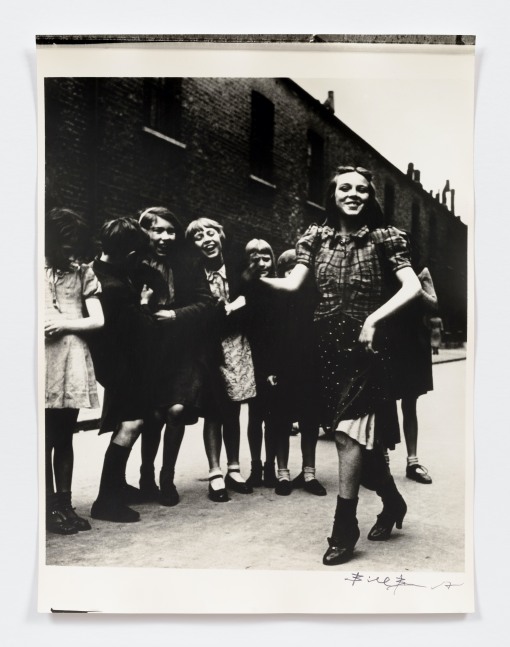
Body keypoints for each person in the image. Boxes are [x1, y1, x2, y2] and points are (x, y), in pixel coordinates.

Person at [247, 165, 421, 565]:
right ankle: (392, 502)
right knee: (359, 442)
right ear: (333, 193)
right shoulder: (315, 237)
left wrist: (373, 320)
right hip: (324, 347)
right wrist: (254, 282)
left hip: (367, 347)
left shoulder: (385, 237)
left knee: (346, 435)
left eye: (362, 189)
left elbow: (411, 286)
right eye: (346, 187)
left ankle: (345, 527)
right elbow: (293, 284)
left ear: (369, 198)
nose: (354, 194)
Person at [137, 207, 213, 506]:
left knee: (177, 410)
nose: (166, 237)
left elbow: (207, 303)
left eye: (171, 231)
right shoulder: (135, 264)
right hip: (150, 351)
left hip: (183, 350)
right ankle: (146, 475)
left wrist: (175, 315)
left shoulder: (188, 264)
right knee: (154, 415)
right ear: (146, 232)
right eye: (159, 230)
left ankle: (167, 477)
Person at [89, 217, 158, 523]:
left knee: (127, 421)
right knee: (131, 424)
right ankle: (106, 500)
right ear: (128, 253)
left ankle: (116, 486)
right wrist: (143, 302)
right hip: (122, 365)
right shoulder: (116, 287)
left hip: (111, 363)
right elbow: (139, 330)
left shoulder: (97, 272)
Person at [185, 218, 256, 502]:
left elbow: (254, 299)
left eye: (211, 233)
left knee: (234, 408)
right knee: (214, 409)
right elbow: (195, 311)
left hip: (238, 343)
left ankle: (234, 468)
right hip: (209, 345)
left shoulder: (238, 267)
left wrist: (237, 308)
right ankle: (215, 472)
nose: (207, 239)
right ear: (194, 246)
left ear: (221, 236)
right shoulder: (193, 274)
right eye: (198, 237)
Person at [44, 207, 104, 534]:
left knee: (64, 435)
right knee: (44, 436)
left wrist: (65, 323)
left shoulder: (82, 273)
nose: (70, 247)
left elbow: (97, 319)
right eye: (65, 240)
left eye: (75, 241)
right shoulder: (31, 269)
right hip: (40, 359)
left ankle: (63, 505)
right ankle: (46, 507)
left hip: (71, 359)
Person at [244, 239, 294, 495]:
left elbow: (282, 332)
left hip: (273, 361)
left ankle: (270, 466)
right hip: (250, 360)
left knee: (273, 419)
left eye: (266, 259)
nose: (261, 264)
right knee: (254, 417)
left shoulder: (279, 289)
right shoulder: (246, 290)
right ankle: (254, 467)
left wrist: (275, 368)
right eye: (255, 260)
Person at [276, 249, 326, 496]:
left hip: (310, 368)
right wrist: (271, 368)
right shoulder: (276, 300)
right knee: (282, 421)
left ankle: (309, 473)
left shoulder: (314, 300)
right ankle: (282, 473)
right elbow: (270, 340)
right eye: (289, 271)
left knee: (309, 422)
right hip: (284, 368)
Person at [388, 264, 439, 484]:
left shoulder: (422, 272)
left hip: (413, 344)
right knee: (384, 403)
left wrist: (413, 285)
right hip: (389, 340)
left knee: (410, 404)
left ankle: (413, 462)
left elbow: (434, 304)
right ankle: (382, 464)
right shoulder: (386, 269)